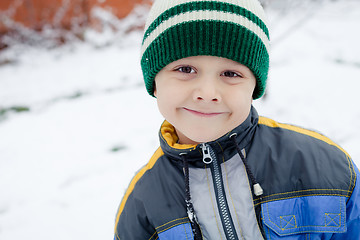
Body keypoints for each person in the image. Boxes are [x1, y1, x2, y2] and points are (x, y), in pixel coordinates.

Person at [114, 0, 360, 239]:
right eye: (185, 70)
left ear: (254, 87)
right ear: (154, 82)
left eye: (230, 73)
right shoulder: (142, 203)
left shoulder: (325, 169)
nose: (207, 93)